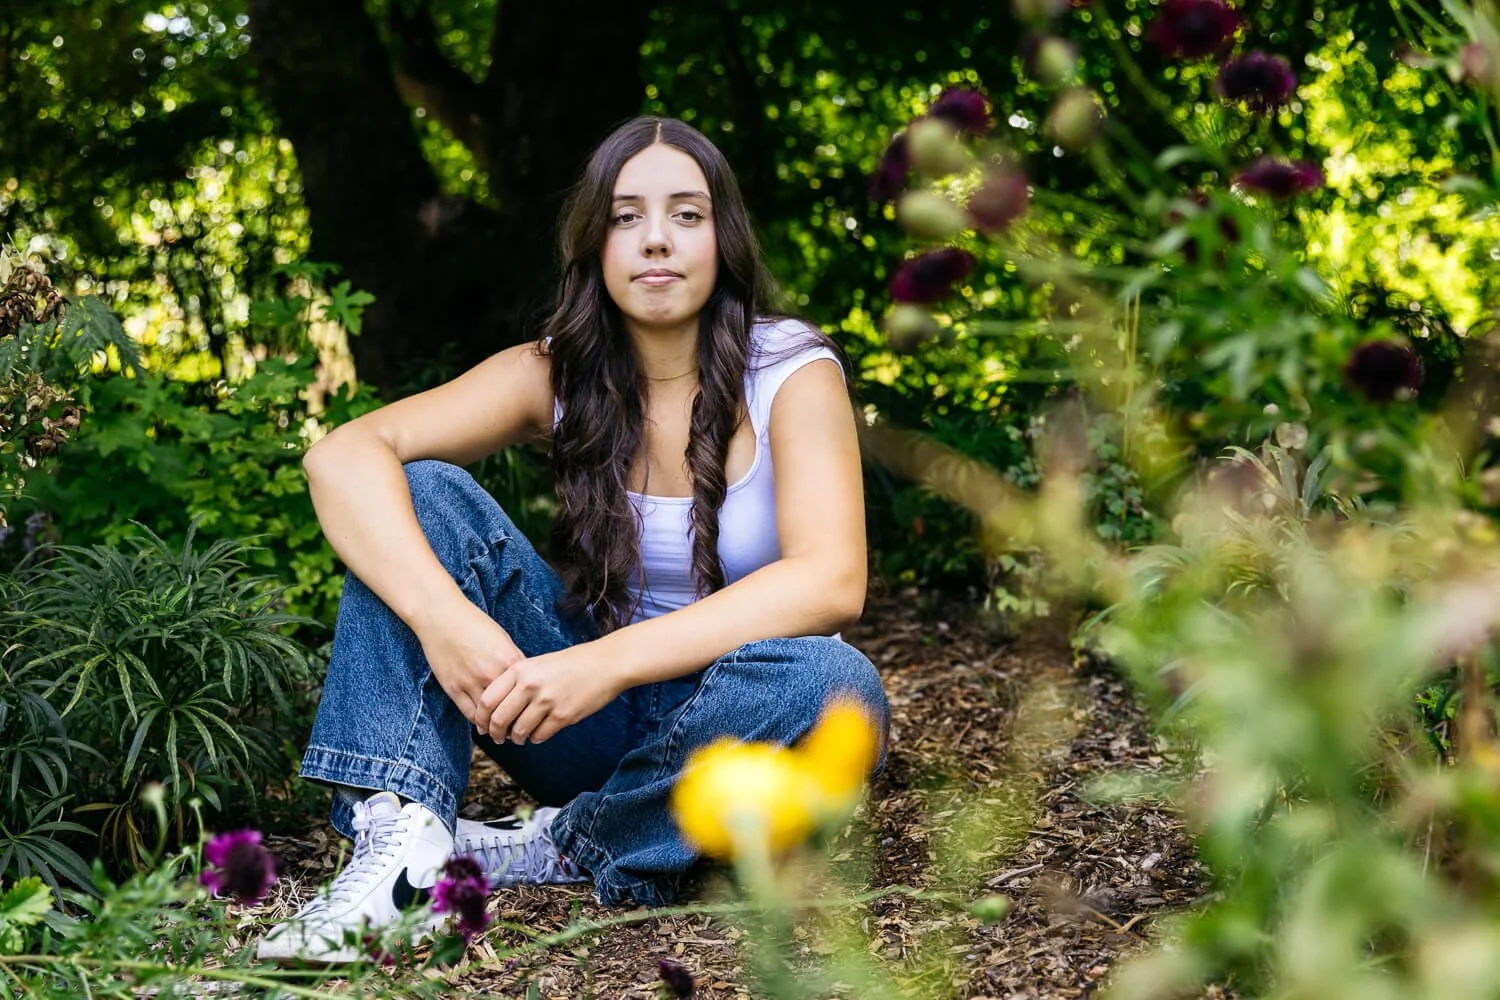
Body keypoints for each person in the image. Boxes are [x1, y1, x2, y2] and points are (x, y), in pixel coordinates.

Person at [257, 115, 890, 964]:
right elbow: (342, 458)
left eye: (686, 215)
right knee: (419, 494)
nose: (656, 239)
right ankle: (402, 846)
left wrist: (605, 663)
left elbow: (830, 582)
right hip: (580, 722)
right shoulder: (553, 371)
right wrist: (447, 620)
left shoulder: (791, 371)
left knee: (836, 684)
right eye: (627, 217)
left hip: (739, 723)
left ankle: (566, 842)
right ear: (594, 243)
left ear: (724, 238)